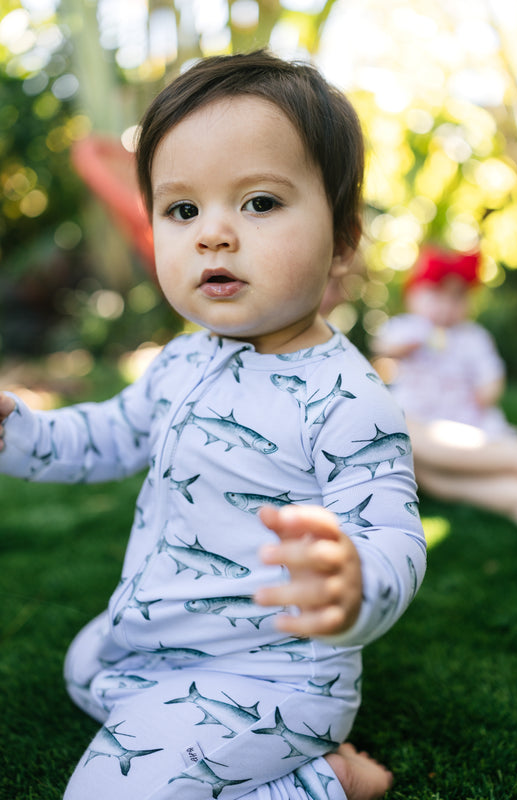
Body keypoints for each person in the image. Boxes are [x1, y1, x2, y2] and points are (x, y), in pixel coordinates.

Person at [0, 50, 426, 800]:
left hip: (268, 674)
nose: (213, 235)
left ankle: (321, 781)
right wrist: (22, 433)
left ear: (344, 235)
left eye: (259, 203)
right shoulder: (181, 360)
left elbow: (392, 534)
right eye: (183, 210)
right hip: (152, 639)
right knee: (82, 667)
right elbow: (108, 435)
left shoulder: (345, 397)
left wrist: (356, 584)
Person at [372, 244, 517, 528]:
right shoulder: (409, 328)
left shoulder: (473, 337)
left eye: (457, 297)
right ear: (413, 296)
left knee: (441, 461)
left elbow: (491, 374)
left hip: (464, 421)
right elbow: (383, 348)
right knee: (425, 467)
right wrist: (403, 348)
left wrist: (489, 390)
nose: (446, 306)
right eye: (435, 295)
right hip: (420, 417)